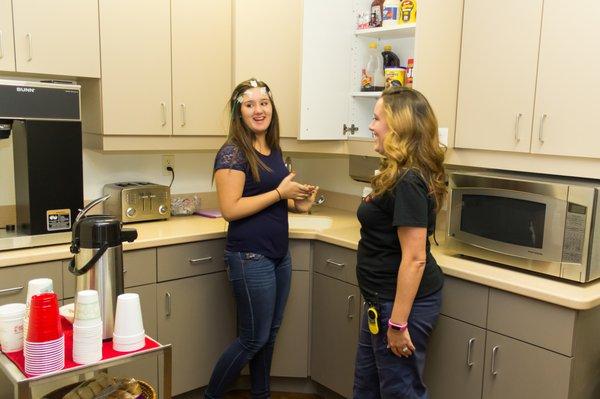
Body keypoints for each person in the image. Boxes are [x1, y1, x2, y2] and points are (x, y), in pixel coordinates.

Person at [205, 78, 318, 399]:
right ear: (238, 113)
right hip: (249, 257)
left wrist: (298, 205)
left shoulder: (273, 148)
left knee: (268, 336)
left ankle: (261, 395)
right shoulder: (232, 153)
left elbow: (272, 199)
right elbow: (230, 209)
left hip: (278, 255)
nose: (259, 110)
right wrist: (280, 192)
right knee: (252, 339)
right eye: (250, 104)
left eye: (264, 103)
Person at [353, 86, 446, 399]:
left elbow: (415, 258)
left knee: (400, 392)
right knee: (366, 388)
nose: (371, 125)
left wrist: (397, 323)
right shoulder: (399, 174)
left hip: (400, 306)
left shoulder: (408, 180)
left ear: (398, 128)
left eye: (377, 118)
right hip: (381, 302)